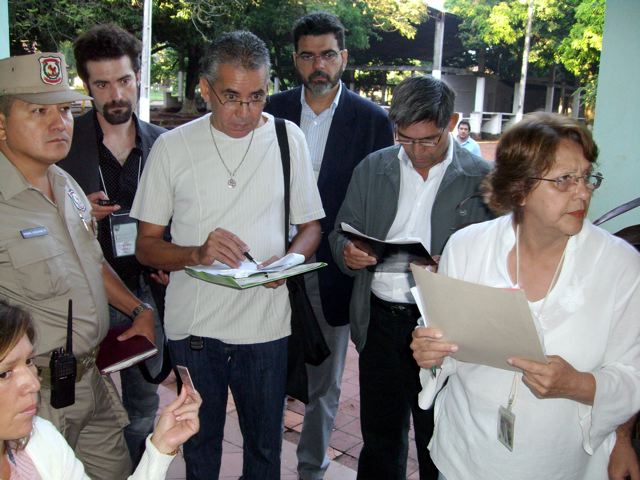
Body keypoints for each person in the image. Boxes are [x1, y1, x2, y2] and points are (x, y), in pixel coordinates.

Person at [130, 31, 324, 479]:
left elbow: (311, 226)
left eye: (257, 97)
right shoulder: (173, 147)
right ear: (205, 89)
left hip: (266, 320)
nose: (245, 112)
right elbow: (146, 246)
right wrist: (197, 252)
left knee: (265, 449)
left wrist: (288, 262)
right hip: (196, 326)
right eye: (231, 97)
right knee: (200, 448)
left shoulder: (285, 137)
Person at [410, 112, 640, 480]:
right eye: (564, 180)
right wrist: (431, 354)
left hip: (561, 463)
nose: (582, 192)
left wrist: (579, 385)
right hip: (466, 455)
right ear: (519, 188)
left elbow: (633, 375)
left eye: (586, 177)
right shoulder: (468, 247)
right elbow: (445, 349)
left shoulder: (620, 266)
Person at [0, 52, 158, 480]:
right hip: (32, 397)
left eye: (65, 110)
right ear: (0, 123)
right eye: (38, 111)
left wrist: (138, 309)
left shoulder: (65, 184)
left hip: (90, 383)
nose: (59, 123)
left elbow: (92, 260)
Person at [328, 75, 493, 479]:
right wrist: (348, 253)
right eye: (406, 139)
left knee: (439, 439)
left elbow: (499, 260)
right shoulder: (374, 168)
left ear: (452, 122)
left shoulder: (480, 179)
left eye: (429, 140)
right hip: (380, 319)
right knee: (381, 438)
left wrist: (451, 267)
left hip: (442, 328)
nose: (417, 152)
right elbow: (339, 232)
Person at [264, 11, 393, 479]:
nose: (318, 65)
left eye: (327, 55)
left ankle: (311, 469)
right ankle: (264, 465)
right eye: (307, 55)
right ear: (295, 59)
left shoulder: (372, 120)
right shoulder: (270, 111)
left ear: (343, 57)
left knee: (324, 383)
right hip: (271, 267)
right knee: (267, 375)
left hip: (334, 272)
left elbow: (382, 196)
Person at [57, 24, 167, 466]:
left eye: (124, 80)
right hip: (86, 294)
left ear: (138, 76)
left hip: (146, 290)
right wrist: (75, 208)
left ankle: (139, 471)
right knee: (81, 409)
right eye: (102, 84)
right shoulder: (62, 143)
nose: (116, 93)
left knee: (143, 409)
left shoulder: (164, 144)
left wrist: (170, 258)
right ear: (87, 86)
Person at [0, 298, 202, 479]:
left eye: (28, 361)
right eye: (5, 373)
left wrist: (161, 447)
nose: (34, 384)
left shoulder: (40, 440)